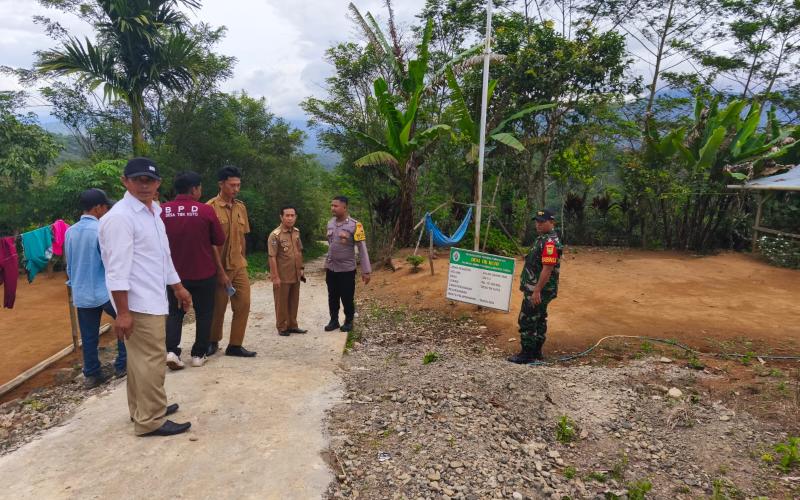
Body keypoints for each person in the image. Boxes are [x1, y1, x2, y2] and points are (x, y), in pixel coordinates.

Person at [99, 157, 193, 437]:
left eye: (149, 180)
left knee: (139, 360)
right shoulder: (120, 218)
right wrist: (124, 313)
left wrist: (177, 287)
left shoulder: (154, 212)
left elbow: (162, 256)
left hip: (153, 298)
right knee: (152, 359)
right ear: (124, 181)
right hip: (137, 303)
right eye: (138, 180)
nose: (144, 185)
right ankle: (151, 419)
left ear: (158, 183)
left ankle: (142, 408)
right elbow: (117, 270)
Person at [161, 171, 226, 369]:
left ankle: (172, 351)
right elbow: (219, 239)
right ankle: (198, 354)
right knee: (204, 313)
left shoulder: (162, 211)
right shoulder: (205, 211)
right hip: (203, 272)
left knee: (175, 313)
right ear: (195, 189)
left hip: (173, 275)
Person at [65, 188, 127, 389]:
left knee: (89, 335)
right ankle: (122, 364)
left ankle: (92, 374)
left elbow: (70, 263)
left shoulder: (70, 231)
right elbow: (108, 261)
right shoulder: (100, 230)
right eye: (105, 207)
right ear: (98, 208)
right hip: (103, 291)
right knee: (124, 322)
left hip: (81, 292)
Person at [206, 166, 256, 357]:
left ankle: (235, 344)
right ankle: (212, 341)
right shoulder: (209, 208)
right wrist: (218, 271)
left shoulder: (240, 207)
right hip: (218, 267)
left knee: (243, 304)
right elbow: (207, 243)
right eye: (232, 185)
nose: (236, 189)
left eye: (238, 185)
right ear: (221, 184)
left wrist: (243, 258)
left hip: (238, 265)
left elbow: (243, 236)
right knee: (218, 307)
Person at [508, 209, 563, 364]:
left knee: (527, 319)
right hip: (538, 288)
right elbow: (540, 261)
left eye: (542, 222)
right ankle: (536, 352)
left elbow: (548, 268)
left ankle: (526, 354)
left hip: (538, 290)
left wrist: (537, 290)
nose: (538, 224)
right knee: (539, 318)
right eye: (537, 221)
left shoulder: (550, 242)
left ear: (551, 222)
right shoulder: (543, 238)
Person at [324, 196, 371, 332]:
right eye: (332, 205)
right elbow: (331, 244)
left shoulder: (355, 225)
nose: (332, 208)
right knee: (332, 295)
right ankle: (333, 321)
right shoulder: (330, 223)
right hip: (331, 267)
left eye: (336, 206)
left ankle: (349, 321)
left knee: (347, 296)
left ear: (345, 207)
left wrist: (366, 270)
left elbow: (362, 249)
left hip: (347, 269)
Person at [268, 206, 307, 336]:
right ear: (281, 217)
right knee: (281, 301)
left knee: (294, 300)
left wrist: (301, 269)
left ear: (295, 217)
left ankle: (292, 325)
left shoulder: (296, 232)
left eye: (292, 215)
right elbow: (272, 257)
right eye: (287, 215)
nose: (290, 218)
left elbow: (299, 251)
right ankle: (282, 326)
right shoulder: (275, 235)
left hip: (295, 274)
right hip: (282, 275)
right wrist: (275, 277)